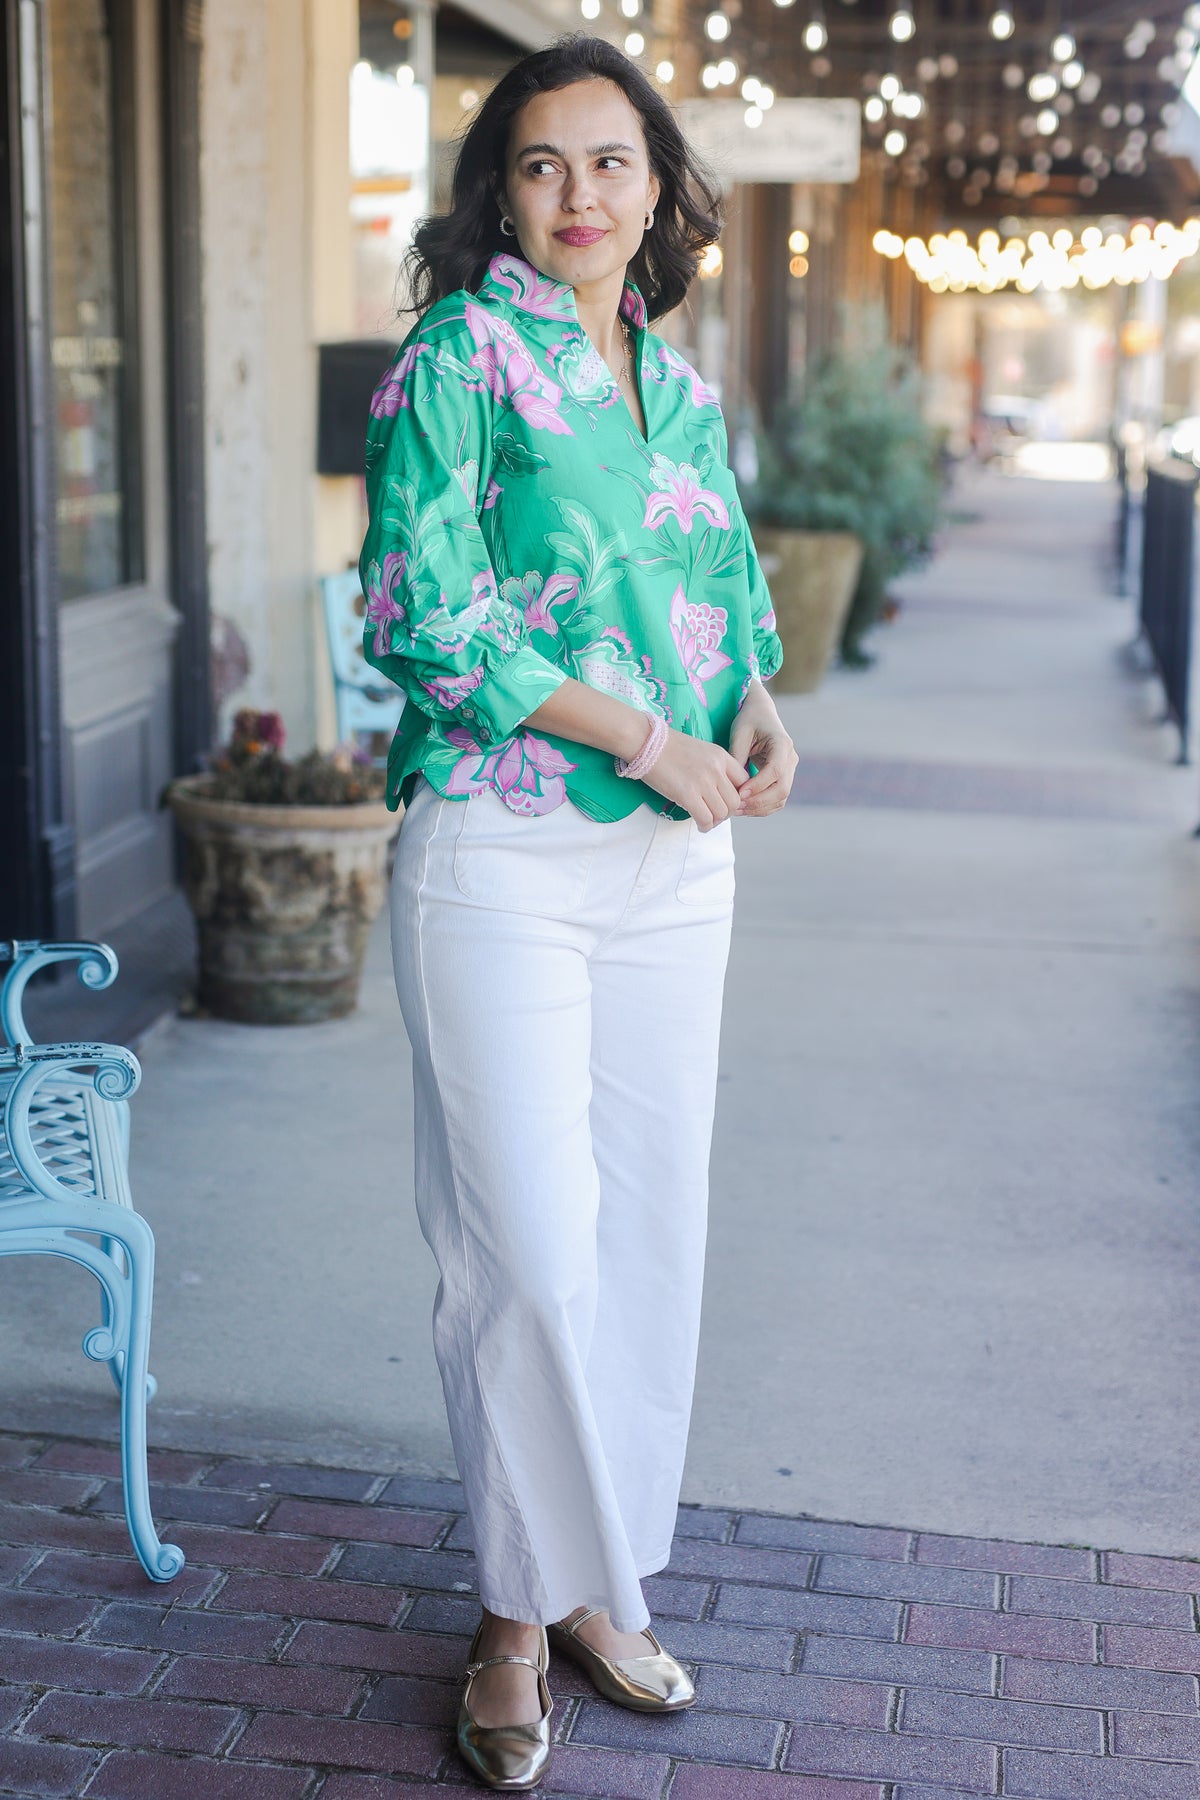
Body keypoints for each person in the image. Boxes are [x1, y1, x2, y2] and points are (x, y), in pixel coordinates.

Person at [359, 32, 797, 1790]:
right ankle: (511, 1614)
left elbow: (728, 590)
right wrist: (648, 741)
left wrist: (761, 708)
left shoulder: (671, 384)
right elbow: (426, 615)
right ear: (500, 196)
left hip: (677, 875)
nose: (581, 196)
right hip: (504, 855)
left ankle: (595, 1587)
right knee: (523, 1255)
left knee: (643, 1247)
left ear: (660, 186)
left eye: (611, 161)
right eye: (542, 166)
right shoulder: (454, 360)